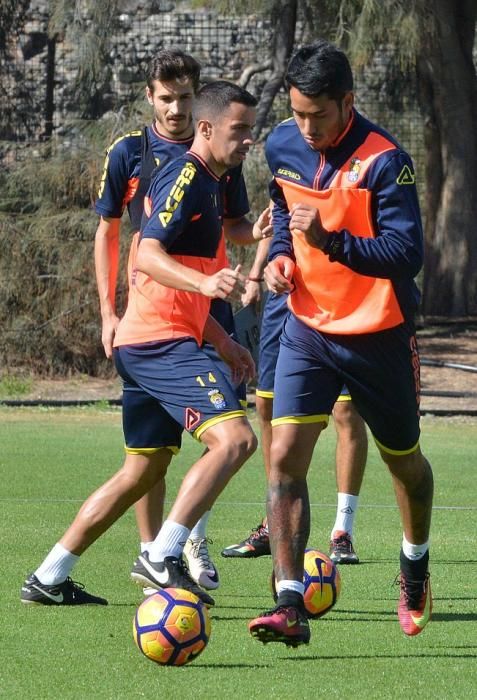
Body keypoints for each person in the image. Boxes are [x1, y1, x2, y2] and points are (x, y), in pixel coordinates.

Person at [20, 80, 260, 608]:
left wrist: (221, 339)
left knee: (142, 470)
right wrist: (205, 286)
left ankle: (49, 576)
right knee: (237, 440)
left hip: (158, 338)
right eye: (239, 130)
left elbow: (176, 281)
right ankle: (162, 554)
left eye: (251, 130)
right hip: (160, 344)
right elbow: (146, 254)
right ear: (206, 128)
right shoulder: (189, 178)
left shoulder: (210, 185)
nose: (248, 141)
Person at [248, 40, 433, 646]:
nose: (306, 128)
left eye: (318, 116)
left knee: (404, 462)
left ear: (347, 103)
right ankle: (288, 602)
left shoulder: (386, 161)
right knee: (283, 459)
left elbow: (406, 255)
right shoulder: (282, 144)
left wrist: (332, 244)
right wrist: (280, 261)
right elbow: (281, 212)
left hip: (379, 336)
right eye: (298, 114)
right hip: (308, 330)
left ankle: (414, 567)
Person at [94, 49, 270, 592]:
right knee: (158, 450)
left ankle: (188, 539)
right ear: (150, 96)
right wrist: (109, 311)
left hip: (208, 309)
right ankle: (156, 555)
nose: (175, 108)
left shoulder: (221, 153)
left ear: (200, 105)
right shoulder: (130, 153)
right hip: (155, 317)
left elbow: (229, 228)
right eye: (165, 97)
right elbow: (115, 236)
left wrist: (258, 234)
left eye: (184, 98)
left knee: (217, 429)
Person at [221, 237, 367, 564]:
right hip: (283, 296)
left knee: (345, 409)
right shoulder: (284, 184)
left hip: (339, 294)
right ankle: (275, 524)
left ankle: (342, 531)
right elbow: (278, 218)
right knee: (267, 404)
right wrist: (257, 275)